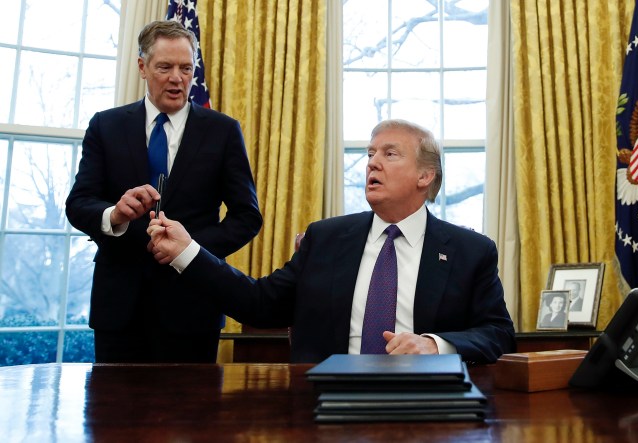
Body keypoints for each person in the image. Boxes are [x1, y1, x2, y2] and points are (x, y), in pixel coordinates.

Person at [147, 119, 516, 364]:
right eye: (370, 153)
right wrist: (188, 252)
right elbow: (260, 304)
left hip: (427, 404)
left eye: (389, 154)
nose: (372, 163)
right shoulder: (325, 238)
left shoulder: (470, 251)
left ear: (425, 176)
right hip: (322, 403)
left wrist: (435, 345)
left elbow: (498, 334)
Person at [65, 20, 262, 363]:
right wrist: (115, 215)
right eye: (165, 67)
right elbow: (79, 203)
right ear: (142, 67)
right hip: (119, 308)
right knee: (112, 400)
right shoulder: (105, 126)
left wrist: (188, 249)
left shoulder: (223, 131)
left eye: (186, 68)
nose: (177, 78)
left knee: (191, 401)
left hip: (193, 304)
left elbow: (247, 216)